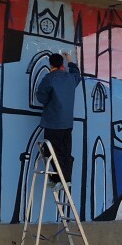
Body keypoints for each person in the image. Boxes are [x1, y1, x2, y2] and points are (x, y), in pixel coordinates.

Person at [35, 51, 81, 187]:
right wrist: (70, 60)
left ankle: (61, 179)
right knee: (65, 151)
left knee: (51, 151)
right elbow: (77, 75)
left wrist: (49, 102)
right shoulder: (70, 78)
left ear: (50, 64)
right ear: (62, 64)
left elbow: (41, 97)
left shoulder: (49, 78)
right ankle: (65, 179)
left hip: (53, 122)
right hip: (67, 122)